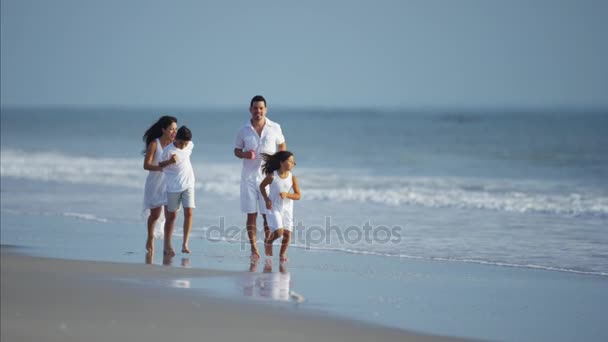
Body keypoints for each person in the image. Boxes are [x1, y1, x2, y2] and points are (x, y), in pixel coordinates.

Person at [234, 95, 286, 260]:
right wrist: (244, 154)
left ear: (266, 110)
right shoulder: (243, 130)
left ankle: (267, 244)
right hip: (249, 178)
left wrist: (278, 160)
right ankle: (254, 249)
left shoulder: (275, 127)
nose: (258, 111)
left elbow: (282, 144)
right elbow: (236, 150)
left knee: (267, 214)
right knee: (251, 214)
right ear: (250, 109)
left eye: (261, 108)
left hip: (268, 178)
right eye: (255, 108)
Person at [142, 115, 178, 255]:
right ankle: (150, 237)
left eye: (175, 129)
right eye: (171, 129)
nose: (174, 132)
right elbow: (146, 165)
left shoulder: (175, 144)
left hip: (170, 184)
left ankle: (167, 245)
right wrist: (163, 167)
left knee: (171, 215)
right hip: (156, 183)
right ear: (163, 130)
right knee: (155, 214)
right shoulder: (154, 144)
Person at [160, 126, 196, 256]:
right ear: (176, 138)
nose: (183, 146)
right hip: (173, 187)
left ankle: (185, 244)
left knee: (189, 212)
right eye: (181, 143)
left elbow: (188, 147)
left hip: (189, 184)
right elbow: (160, 165)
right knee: (172, 216)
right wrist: (170, 161)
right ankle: (167, 245)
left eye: (185, 143)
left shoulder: (190, 145)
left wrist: (186, 144)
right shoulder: (168, 150)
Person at [259, 151, 300, 263]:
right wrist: (266, 199)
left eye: (293, 162)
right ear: (282, 162)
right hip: (274, 207)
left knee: (287, 235)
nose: (293, 164)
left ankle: (282, 254)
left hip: (287, 208)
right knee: (279, 232)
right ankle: (269, 241)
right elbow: (262, 186)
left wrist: (287, 194)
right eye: (290, 161)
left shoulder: (292, 178)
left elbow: (298, 195)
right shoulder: (272, 176)